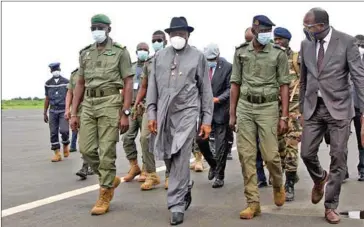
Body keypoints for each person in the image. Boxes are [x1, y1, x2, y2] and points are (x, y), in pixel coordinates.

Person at [299, 8, 364, 224]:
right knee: (306, 153)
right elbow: (305, 79)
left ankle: (330, 206)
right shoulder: (306, 44)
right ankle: (320, 178)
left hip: (339, 108)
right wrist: (301, 109)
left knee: (338, 157)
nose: (306, 30)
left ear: (321, 25)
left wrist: (363, 112)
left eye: (309, 26)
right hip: (313, 108)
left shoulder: (346, 42)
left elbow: (358, 77)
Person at [146, 16, 213, 225]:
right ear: (169, 36)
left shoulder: (198, 57)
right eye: (174, 34)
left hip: (187, 112)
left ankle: (176, 205)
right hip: (164, 113)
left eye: (181, 34)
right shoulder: (159, 58)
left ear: (188, 35)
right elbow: (152, 89)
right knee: (167, 155)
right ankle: (185, 187)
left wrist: (206, 120)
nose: (177, 37)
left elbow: (206, 91)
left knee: (180, 155)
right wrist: (152, 114)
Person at [70, 14, 133, 215]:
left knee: (106, 151)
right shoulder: (85, 53)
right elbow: (79, 83)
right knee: (86, 149)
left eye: (101, 27)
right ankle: (109, 178)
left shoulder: (120, 52)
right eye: (94, 27)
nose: (97, 30)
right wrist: (73, 112)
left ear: (108, 29)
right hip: (88, 103)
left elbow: (128, 82)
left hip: (110, 102)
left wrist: (125, 112)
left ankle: (105, 192)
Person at [230, 15, 289, 219]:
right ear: (254, 30)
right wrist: (232, 114)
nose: (266, 34)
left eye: (268, 31)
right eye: (262, 30)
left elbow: (284, 85)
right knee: (246, 156)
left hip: (268, 108)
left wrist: (284, 116)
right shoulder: (240, 52)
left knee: (271, 156)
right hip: (245, 107)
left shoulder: (278, 54)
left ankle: (278, 184)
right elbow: (235, 83)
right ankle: (253, 203)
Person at [133, 30, 169, 190]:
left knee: (168, 139)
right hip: (151, 105)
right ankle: (152, 174)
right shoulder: (149, 62)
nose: (156, 43)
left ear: (165, 41)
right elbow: (144, 85)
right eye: (154, 40)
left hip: (168, 105)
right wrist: (136, 103)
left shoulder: (174, 57)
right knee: (145, 138)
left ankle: (170, 174)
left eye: (159, 40)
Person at [196, 43, 232, 188]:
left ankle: (220, 176)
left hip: (221, 110)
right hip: (205, 111)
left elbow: (231, 88)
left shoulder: (227, 67)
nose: (209, 61)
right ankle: (213, 164)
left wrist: (218, 99)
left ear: (217, 55)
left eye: (212, 58)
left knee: (220, 145)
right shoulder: (201, 66)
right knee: (200, 140)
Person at [273, 27, 302, 201]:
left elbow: (307, 82)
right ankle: (288, 172)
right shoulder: (271, 59)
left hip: (294, 111)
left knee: (291, 147)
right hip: (275, 112)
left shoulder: (296, 58)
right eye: (274, 39)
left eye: (280, 39)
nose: (277, 42)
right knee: (278, 149)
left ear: (287, 40)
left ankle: (289, 182)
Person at [123, 42, 150, 183]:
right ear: (136, 51)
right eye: (140, 49)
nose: (142, 52)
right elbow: (124, 87)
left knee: (145, 139)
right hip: (132, 107)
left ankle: (146, 168)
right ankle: (134, 166)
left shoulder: (151, 67)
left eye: (145, 50)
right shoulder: (131, 68)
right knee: (127, 137)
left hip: (145, 107)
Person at [65, 68, 94, 179]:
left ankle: (87, 166)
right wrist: (68, 109)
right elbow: (69, 92)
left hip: (92, 108)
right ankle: (87, 165)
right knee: (83, 141)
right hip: (79, 110)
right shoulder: (74, 74)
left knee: (92, 140)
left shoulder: (94, 70)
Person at [44, 62, 70, 162]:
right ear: (51, 71)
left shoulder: (66, 82)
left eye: (57, 69)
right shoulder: (48, 83)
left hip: (63, 109)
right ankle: (57, 153)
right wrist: (44, 112)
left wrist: (70, 109)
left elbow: (70, 96)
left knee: (64, 130)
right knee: (53, 132)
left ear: (59, 70)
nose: (55, 71)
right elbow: (47, 98)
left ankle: (65, 144)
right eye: (53, 70)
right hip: (52, 110)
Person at [352, 34, 364, 182]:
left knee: (361, 139)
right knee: (340, 141)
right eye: (357, 45)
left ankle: (363, 169)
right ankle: (342, 171)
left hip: (360, 106)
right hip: (344, 105)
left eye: (362, 45)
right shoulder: (347, 61)